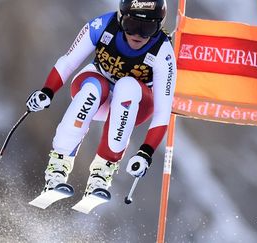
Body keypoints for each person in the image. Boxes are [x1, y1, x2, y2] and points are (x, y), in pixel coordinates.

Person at [26, 0, 176, 198]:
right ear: (121, 18)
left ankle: (102, 173)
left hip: (133, 105)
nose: (137, 35)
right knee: (93, 90)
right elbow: (68, 61)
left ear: (158, 27)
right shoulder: (103, 25)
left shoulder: (163, 52)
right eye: (131, 26)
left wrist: (145, 153)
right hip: (98, 88)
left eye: (147, 28)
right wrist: (47, 91)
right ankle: (58, 166)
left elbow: (163, 112)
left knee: (127, 86)